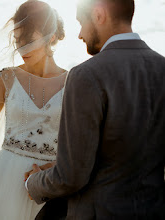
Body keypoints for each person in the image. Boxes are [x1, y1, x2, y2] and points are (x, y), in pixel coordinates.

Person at [25, 0, 165, 219]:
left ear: (99, 15)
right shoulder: (162, 68)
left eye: (81, 23)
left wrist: (32, 183)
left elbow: (70, 177)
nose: (80, 34)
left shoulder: (86, 75)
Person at [0, 1, 68, 219]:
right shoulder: (5, 78)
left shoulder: (74, 82)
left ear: (52, 37)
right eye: (18, 40)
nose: (21, 48)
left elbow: (78, 146)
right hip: (3, 179)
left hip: (48, 182)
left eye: (29, 40)